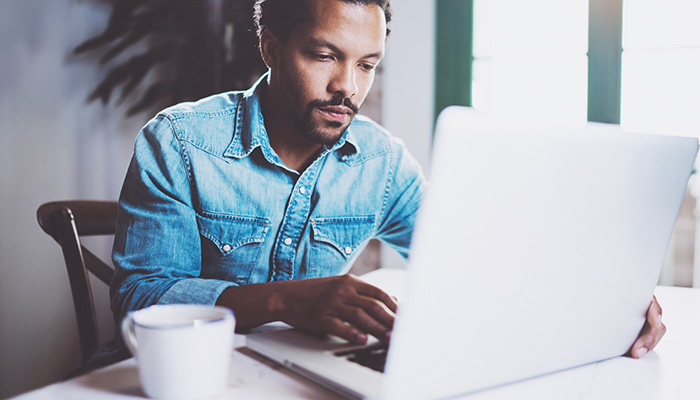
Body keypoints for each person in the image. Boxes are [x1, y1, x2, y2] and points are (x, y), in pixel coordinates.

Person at [99, 0, 663, 370]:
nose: (347, 86)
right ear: (271, 49)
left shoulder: (381, 162)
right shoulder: (179, 142)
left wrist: (606, 296)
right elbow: (138, 299)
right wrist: (284, 300)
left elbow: (477, 255)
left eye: (368, 65)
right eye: (325, 56)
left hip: (306, 380)